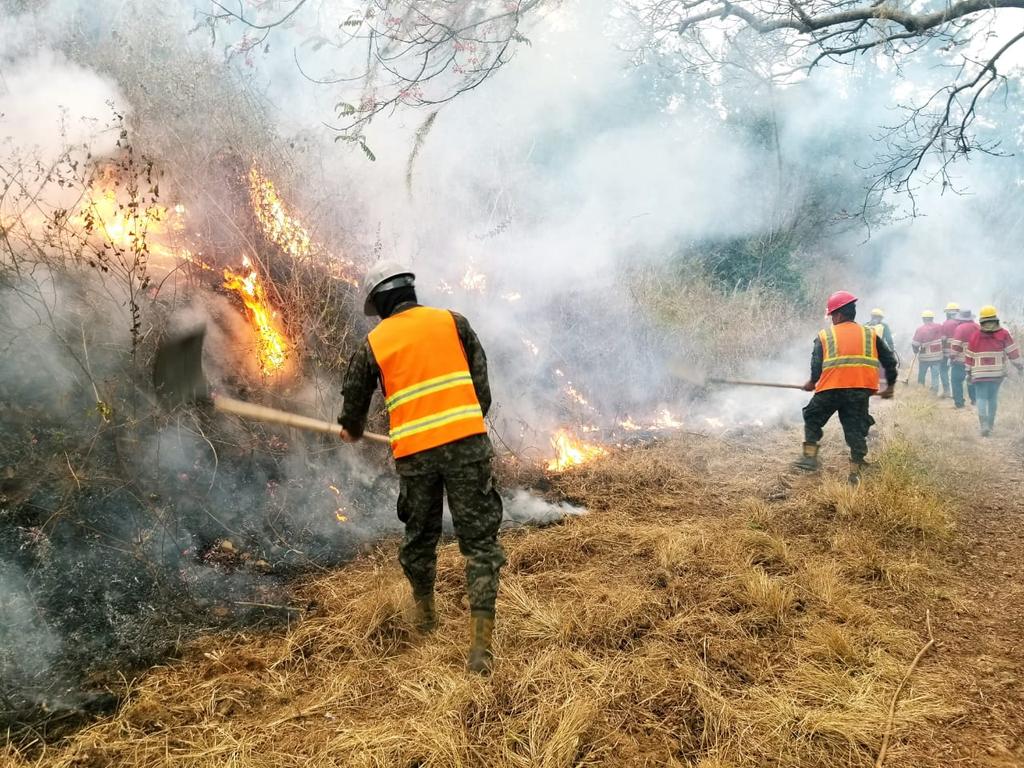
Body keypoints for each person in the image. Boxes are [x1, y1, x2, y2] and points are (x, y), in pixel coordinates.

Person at [338, 262, 505, 674]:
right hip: (468, 446)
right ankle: (480, 650)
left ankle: (426, 624)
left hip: (416, 457)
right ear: (410, 292)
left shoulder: (373, 344)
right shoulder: (454, 322)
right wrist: (462, 425)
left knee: (420, 539)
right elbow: (481, 392)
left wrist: (352, 430)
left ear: (378, 304)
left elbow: (353, 408)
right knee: (480, 545)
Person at [797, 291, 898, 484]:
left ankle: (809, 457)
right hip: (859, 391)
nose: (832, 319)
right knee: (855, 428)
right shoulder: (870, 334)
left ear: (840, 315)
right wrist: (890, 386)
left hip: (831, 389)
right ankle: (856, 468)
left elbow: (816, 363)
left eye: (833, 315)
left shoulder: (825, 335)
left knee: (812, 417)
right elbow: (890, 360)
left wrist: (812, 382)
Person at [964, 305, 1022, 437]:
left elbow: (969, 356)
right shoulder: (1004, 334)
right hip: (997, 374)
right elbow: (1012, 352)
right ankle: (990, 424)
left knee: (981, 397)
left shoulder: (975, 335)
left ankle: (983, 425)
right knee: (993, 398)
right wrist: (1020, 366)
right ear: (995, 318)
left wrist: (968, 372)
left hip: (979, 374)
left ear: (982, 320)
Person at [948, 309, 980, 409]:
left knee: (956, 380)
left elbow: (956, 345)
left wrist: (952, 357)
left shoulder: (960, 328)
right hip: (976, 360)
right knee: (972, 380)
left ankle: (959, 403)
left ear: (961, 319)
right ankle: (975, 400)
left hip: (961, 360)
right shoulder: (978, 327)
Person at [911, 311, 945, 394]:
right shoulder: (940, 327)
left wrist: (915, 350)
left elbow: (915, 343)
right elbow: (944, 338)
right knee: (935, 375)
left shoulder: (920, 329)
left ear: (923, 319)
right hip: (937, 357)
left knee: (922, 374)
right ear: (932, 318)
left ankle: (920, 390)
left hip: (924, 358)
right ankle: (934, 392)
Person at [938, 302, 960, 397]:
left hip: (947, 353)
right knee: (957, 371)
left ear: (948, 313)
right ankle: (958, 392)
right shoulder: (961, 323)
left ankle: (947, 391)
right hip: (960, 352)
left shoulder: (945, 324)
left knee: (943, 370)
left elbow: (942, 338)